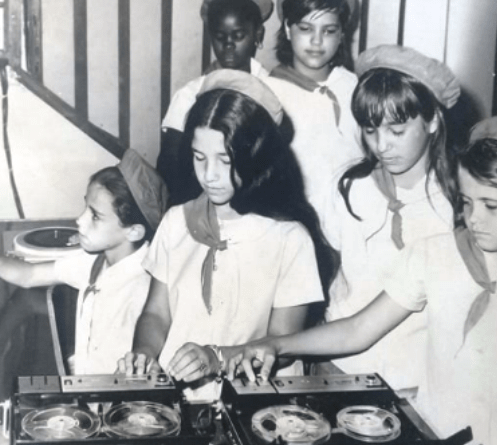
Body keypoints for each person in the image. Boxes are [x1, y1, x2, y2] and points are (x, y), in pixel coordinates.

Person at [224, 116, 497, 445]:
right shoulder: (436, 255)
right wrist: (276, 344)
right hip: (437, 433)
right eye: (466, 202)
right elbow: (358, 329)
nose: (474, 218)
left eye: (491, 206)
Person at [119, 69, 337, 401]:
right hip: (179, 401)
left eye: (225, 159)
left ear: (256, 155)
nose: (209, 175)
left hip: (254, 404)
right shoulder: (177, 221)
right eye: (199, 157)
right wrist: (145, 352)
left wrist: (215, 357)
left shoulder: (289, 238)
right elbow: (156, 312)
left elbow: (283, 344)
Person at [314, 44, 460, 393]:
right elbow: (331, 265)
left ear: (433, 120)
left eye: (397, 131)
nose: (381, 145)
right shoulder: (348, 187)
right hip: (338, 368)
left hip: (414, 379)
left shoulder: (456, 202)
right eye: (369, 129)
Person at [0, 149, 168, 375]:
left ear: (133, 232)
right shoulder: (96, 262)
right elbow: (30, 275)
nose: (79, 220)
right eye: (86, 207)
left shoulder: (145, 289)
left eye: (95, 216)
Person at [157, 0, 274, 206]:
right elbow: (170, 169)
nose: (228, 45)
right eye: (220, 37)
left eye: (238, 36)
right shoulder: (188, 96)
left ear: (258, 35)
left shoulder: (274, 92)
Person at [264, 0, 362, 210]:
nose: (317, 41)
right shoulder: (269, 92)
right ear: (288, 30)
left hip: (351, 212)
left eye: (328, 31)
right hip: (295, 214)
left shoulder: (353, 86)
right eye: (306, 29)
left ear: (342, 35)